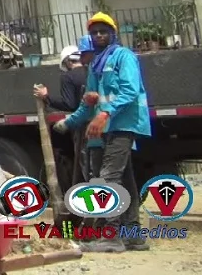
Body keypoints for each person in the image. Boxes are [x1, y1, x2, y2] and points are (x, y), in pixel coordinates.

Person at [55, 13, 150, 253]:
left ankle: (111, 236)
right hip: (108, 127)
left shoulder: (123, 57)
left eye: (103, 31)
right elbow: (88, 103)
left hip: (124, 124)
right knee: (125, 181)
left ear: (112, 34)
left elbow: (130, 91)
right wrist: (70, 122)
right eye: (94, 32)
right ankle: (133, 236)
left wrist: (105, 113)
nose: (98, 35)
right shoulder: (96, 65)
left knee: (108, 177)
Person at [33, 36, 93, 183]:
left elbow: (69, 104)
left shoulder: (67, 77)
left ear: (67, 61)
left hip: (81, 125)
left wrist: (46, 97)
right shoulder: (91, 72)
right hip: (97, 122)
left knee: (85, 165)